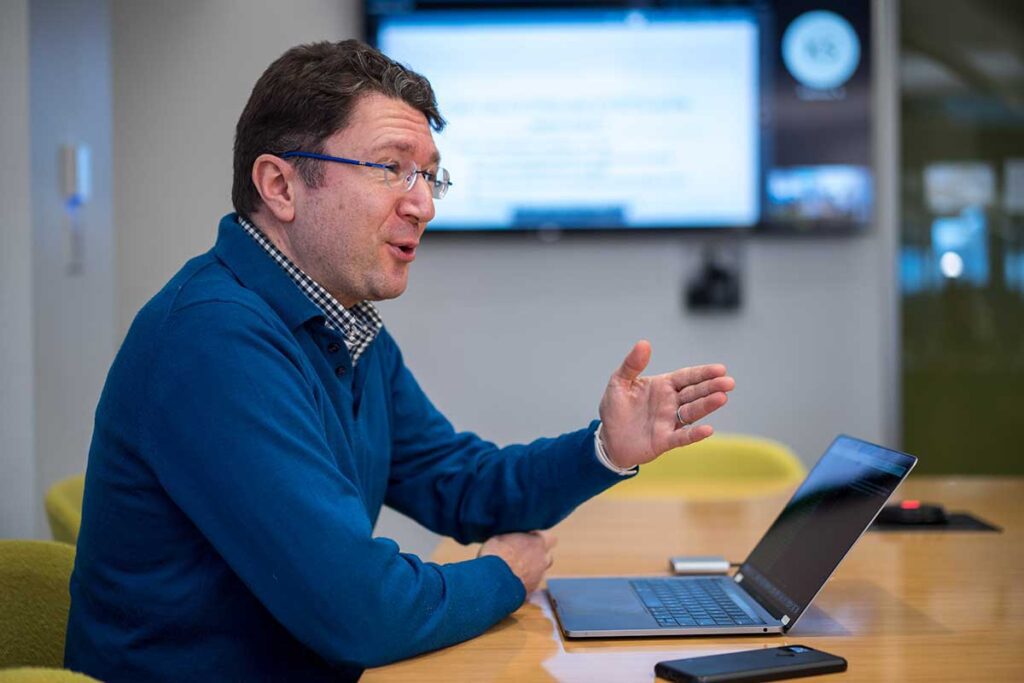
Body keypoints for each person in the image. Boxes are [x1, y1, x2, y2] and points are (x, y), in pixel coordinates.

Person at [65, 40, 734, 682]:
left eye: (429, 175)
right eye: (391, 169)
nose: (424, 203)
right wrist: (502, 573)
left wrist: (604, 450)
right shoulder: (213, 340)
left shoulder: (344, 324)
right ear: (280, 185)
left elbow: (460, 483)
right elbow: (358, 610)